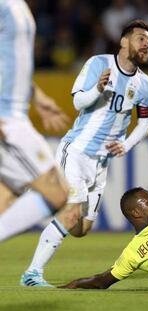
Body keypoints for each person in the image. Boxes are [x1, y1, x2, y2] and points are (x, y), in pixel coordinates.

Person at [21, 19, 148, 287]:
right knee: (71, 215)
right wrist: (97, 89)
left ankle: (44, 195)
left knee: (82, 229)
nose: (146, 45)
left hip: (101, 163)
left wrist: (126, 145)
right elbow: (77, 101)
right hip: (78, 151)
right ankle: (32, 274)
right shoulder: (99, 64)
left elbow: (145, 122)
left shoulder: (146, 85)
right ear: (124, 41)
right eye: (141, 38)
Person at [0, 0, 70, 241]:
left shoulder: (16, 7)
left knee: (6, 196)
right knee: (56, 192)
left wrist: (35, 95)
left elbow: (9, 62)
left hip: (14, 114)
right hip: (7, 120)